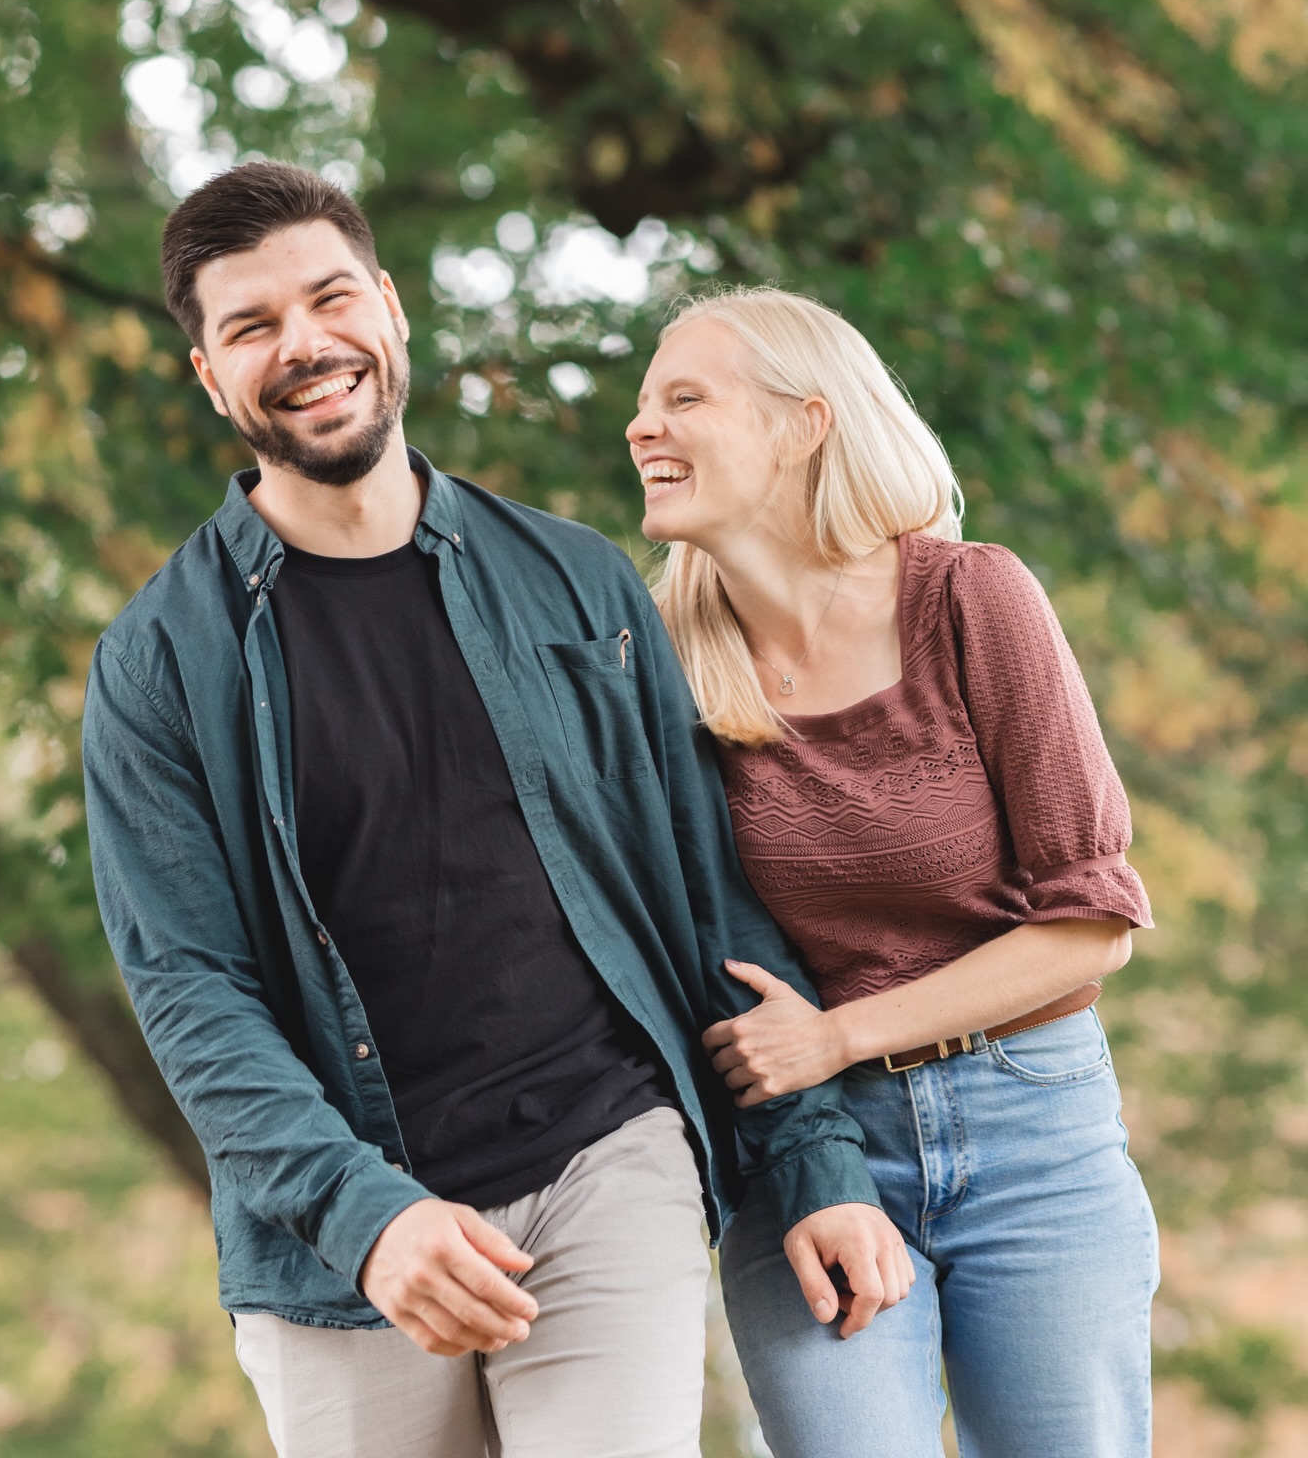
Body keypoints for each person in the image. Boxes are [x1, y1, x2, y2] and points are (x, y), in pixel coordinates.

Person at [81, 163, 912, 1458]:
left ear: (392, 312)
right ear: (209, 375)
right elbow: (192, 992)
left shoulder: (579, 583)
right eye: (250, 327)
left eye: (329, 298)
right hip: (343, 1250)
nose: (304, 345)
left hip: (604, 1157)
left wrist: (812, 1162)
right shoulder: (158, 666)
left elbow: (709, 890)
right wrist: (368, 1220)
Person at [626, 287, 1158, 1458]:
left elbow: (1094, 922)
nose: (641, 427)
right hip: (813, 1150)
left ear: (804, 424)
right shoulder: (664, 662)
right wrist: (813, 1088)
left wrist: (838, 1034)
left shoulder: (974, 599)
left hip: (1035, 1128)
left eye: (684, 398)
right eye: (642, 403)